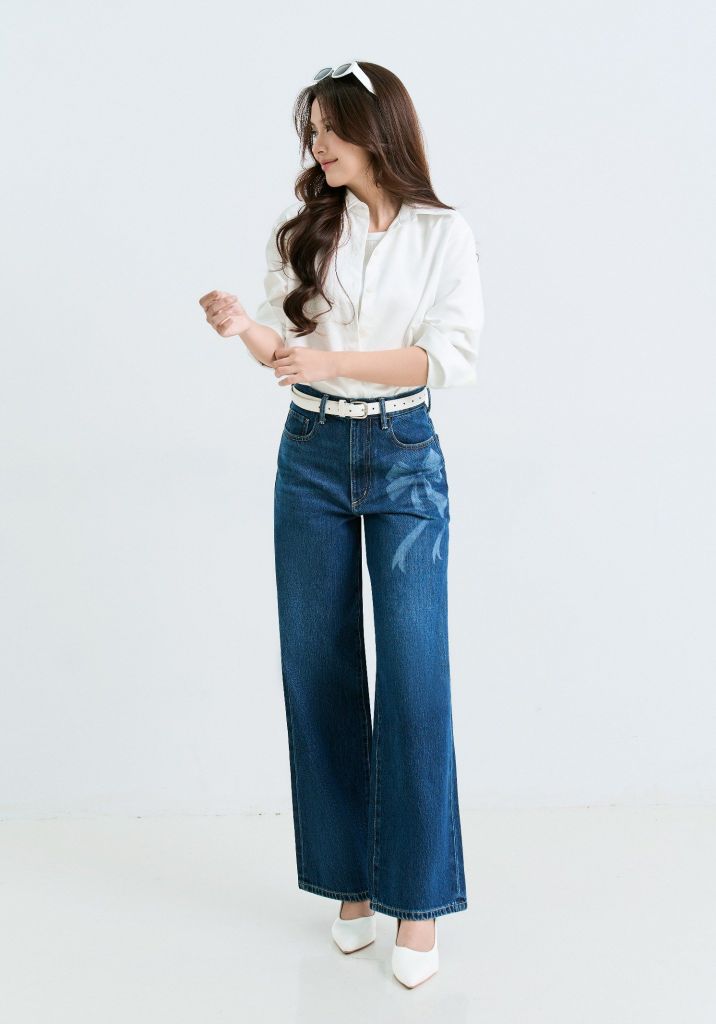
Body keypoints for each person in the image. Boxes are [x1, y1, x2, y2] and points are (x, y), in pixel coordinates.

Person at [199, 60, 484, 990]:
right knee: (317, 670)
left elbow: (444, 358)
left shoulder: (442, 234)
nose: (317, 145)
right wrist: (243, 328)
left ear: (376, 129)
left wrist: (331, 362)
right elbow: (286, 352)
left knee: (414, 677)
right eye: (311, 130)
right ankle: (350, 889)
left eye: (329, 127)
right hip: (311, 453)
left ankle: (419, 902)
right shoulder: (308, 230)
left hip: (403, 454)